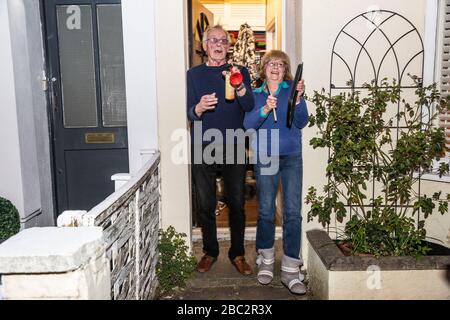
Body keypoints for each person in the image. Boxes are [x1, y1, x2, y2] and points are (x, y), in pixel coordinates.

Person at [187, 25, 255, 275]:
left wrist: (238, 85)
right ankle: (210, 251)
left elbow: (248, 105)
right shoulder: (193, 75)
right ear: (205, 46)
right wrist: (200, 107)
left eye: (223, 41)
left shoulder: (241, 71)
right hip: (202, 144)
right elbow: (188, 111)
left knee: (237, 202)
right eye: (213, 40)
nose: (218, 45)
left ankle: (237, 253)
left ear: (229, 46)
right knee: (205, 202)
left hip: (235, 143)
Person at [244, 50, 309, 294]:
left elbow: (302, 121)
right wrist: (263, 110)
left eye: (281, 64)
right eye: (271, 63)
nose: (275, 67)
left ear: (285, 70)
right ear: (264, 68)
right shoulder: (256, 94)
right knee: (266, 210)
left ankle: (291, 269)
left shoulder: (292, 89)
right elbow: (247, 124)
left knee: (292, 212)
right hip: (265, 156)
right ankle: (267, 259)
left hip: (292, 157)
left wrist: (299, 99)